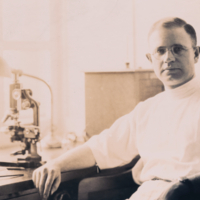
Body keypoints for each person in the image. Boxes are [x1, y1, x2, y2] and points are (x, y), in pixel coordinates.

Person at [32, 17, 200, 200]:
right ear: (150, 59)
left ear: (196, 54)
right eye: (160, 51)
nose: (169, 58)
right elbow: (104, 146)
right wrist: (57, 164)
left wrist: (184, 189)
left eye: (178, 49)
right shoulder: (147, 109)